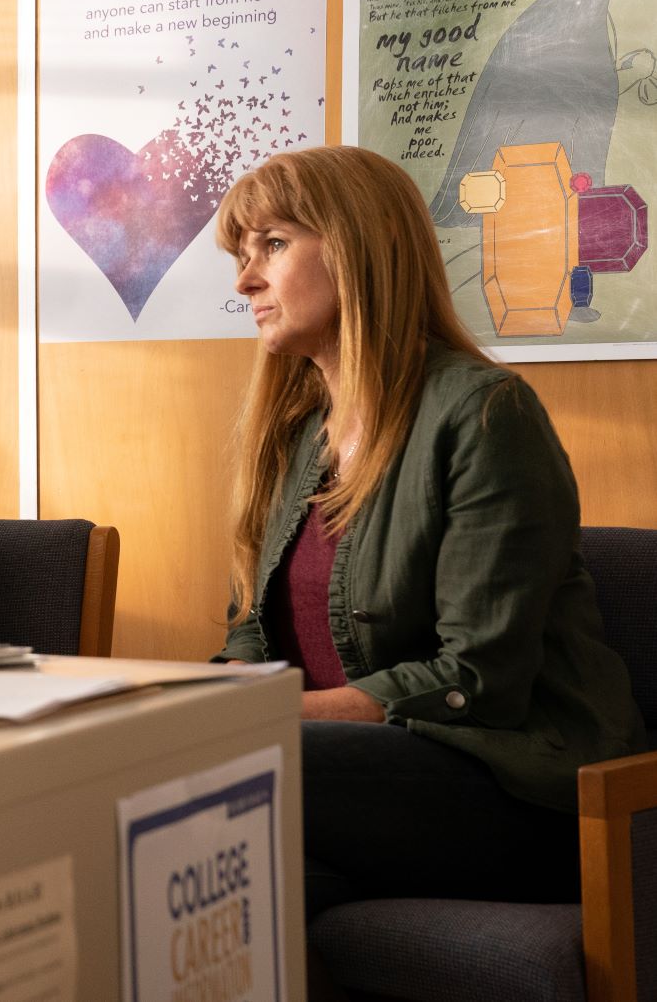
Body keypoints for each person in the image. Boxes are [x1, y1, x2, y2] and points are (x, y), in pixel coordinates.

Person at [212, 145, 644, 924]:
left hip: (517, 786)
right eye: (243, 255)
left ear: (358, 243)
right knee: (207, 891)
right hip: (355, 783)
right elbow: (252, 629)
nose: (245, 279)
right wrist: (219, 692)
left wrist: (260, 712)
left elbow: (478, 677)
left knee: (240, 768)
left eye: (272, 245)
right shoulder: (299, 434)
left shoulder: (485, 415)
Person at [430, 0, 656, 227]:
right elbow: (577, 89)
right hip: (536, 152)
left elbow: (579, 80)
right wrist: (635, 70)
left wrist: (626, 70)